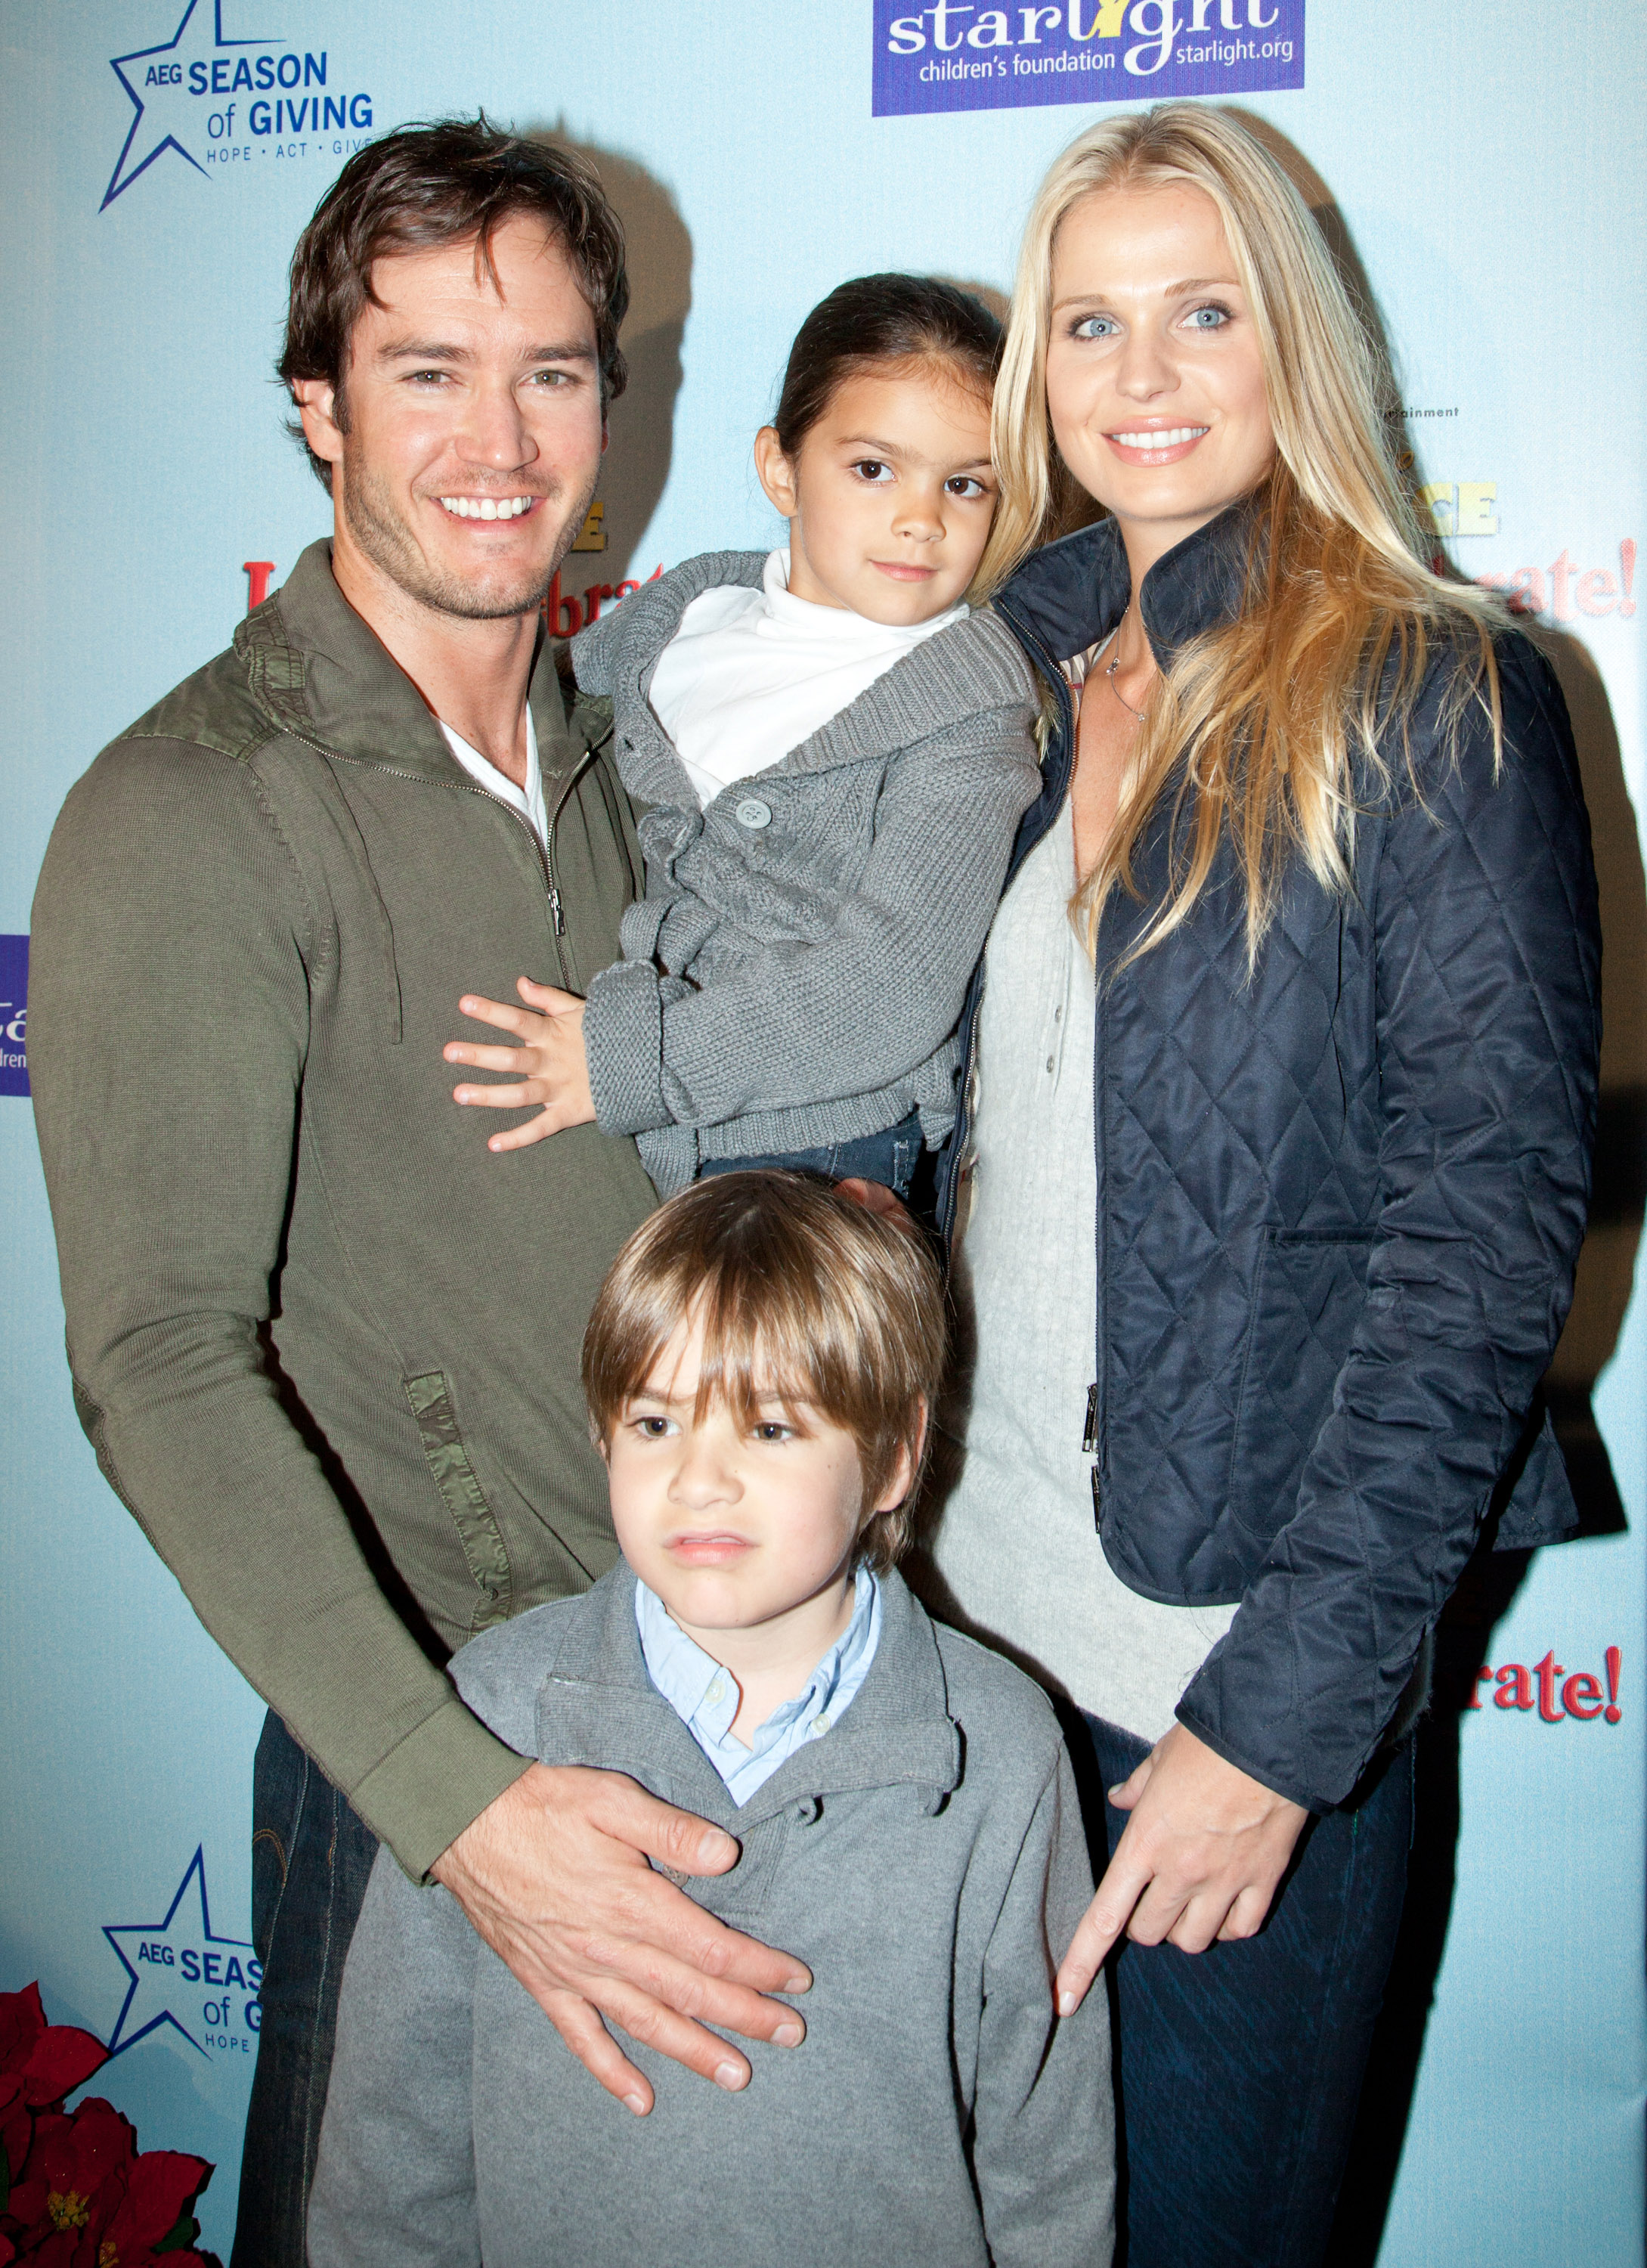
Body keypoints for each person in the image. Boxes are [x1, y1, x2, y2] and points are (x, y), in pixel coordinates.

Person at [27, 119, 818, 2266]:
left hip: (717, 1718)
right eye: (426, 370)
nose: (499, 436)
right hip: (434, 1766)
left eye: (552, 371)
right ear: (318, 407)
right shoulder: (193, 808)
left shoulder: (626, 760)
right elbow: (161, 1368)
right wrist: (463, 1817)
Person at [917, 104, 1600, 2267]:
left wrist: (1277, 1731)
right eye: (1090, 320)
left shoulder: (1431, 683)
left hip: (1222, 1672)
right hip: (962, 1639)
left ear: (1288, 341)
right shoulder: (990, 688)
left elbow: (1483, 1232)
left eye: (1199, 311)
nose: (1140, 374)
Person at [307, 1172, 1114, 2268]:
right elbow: (393, 2129)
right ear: (601, 1437)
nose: (698, 1480)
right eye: (654, 1421)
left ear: (891, 1455)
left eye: (770, 1427)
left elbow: (1047, 2158)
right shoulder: (493, 1716)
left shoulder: (1002, 1753)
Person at [435, 275, 1041, 1194]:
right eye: (873, 469)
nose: (923, 519)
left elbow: (889, 991)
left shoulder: (966, 714)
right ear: (781, 469)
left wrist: (630, 1064)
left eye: (965, 484)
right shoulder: (683, 615)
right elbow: (522, 715)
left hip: (818, 1150)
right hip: (625, 1108)